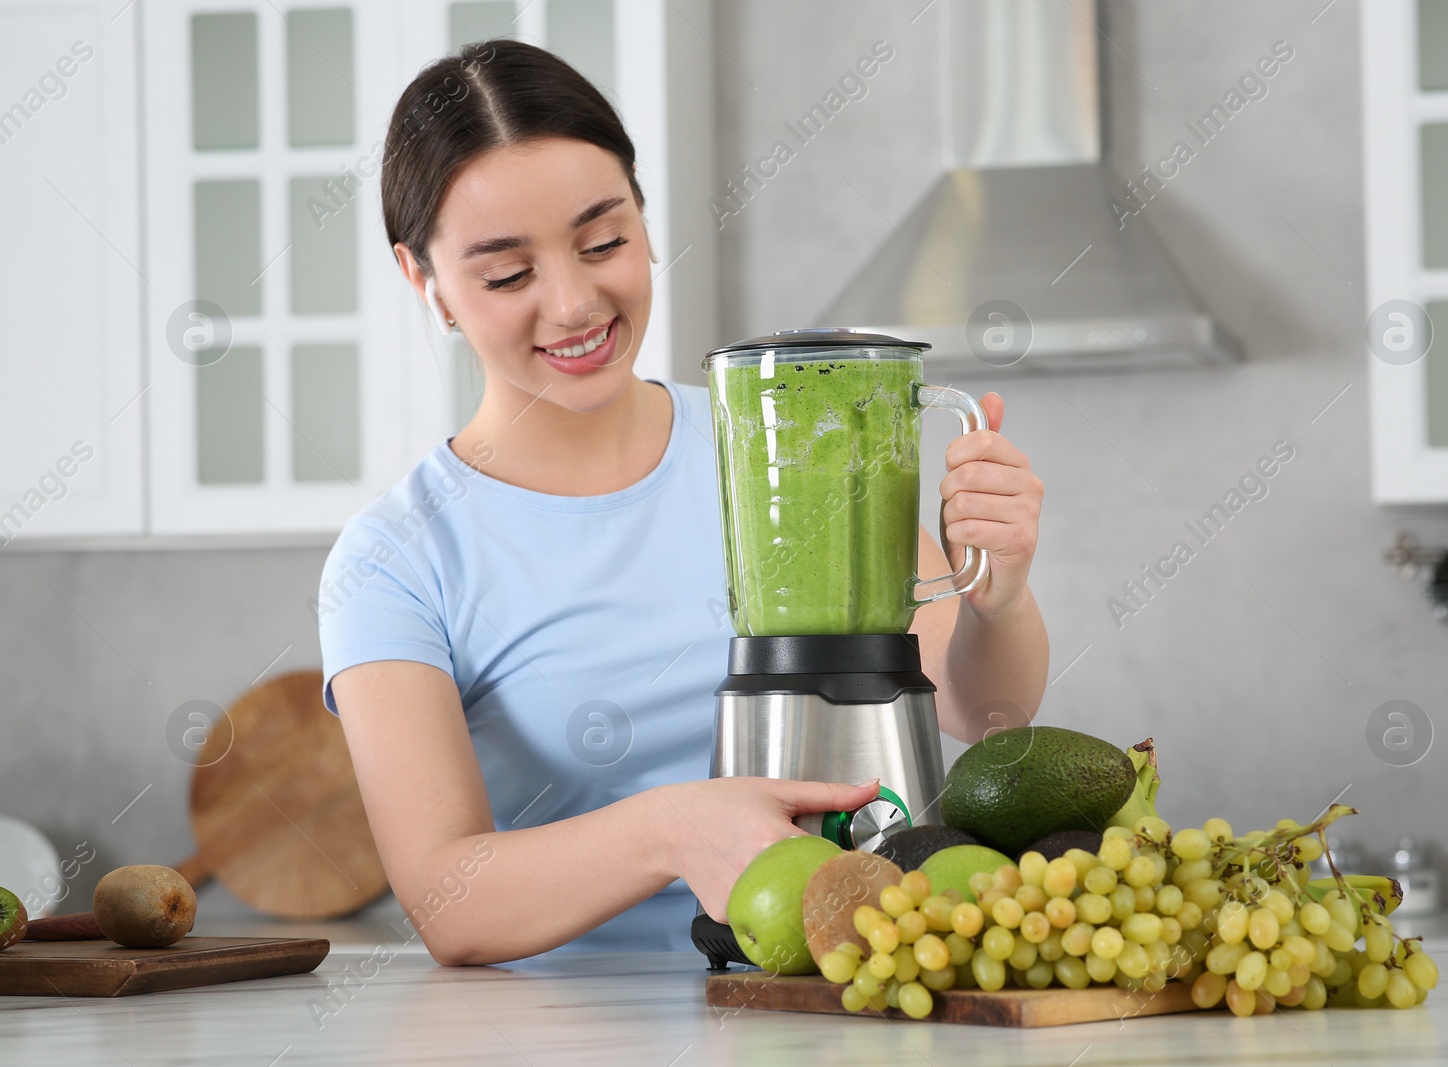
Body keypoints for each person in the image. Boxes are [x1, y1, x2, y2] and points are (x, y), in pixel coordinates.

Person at [317, 39, 1048, 966]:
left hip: (848, 998)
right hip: (570, 1033)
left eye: (603, 241)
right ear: (426, 282)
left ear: (646, 220)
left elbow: (987, 711)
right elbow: (446, 900)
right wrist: (671, 831)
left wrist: (1002, 593)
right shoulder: (395, 558)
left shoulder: (783, 441)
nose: (575, 302)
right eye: (507, 274)